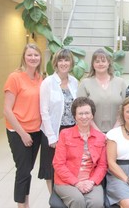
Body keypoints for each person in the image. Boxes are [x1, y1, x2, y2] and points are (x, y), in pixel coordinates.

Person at [3, 43, 43, 208]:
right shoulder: (15, 77)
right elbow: (7, 110)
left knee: (27, 171)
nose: (33, 58)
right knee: (23, 171)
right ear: (24, 57)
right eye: (29, 55)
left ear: (40, 58)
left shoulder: (40, 77)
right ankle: (22, 206)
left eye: (36, 55)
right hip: (18, 131)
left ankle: (25, 203)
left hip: (36, 130)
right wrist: (23, 134)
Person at [53, 97, 107, 208]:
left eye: (87, 113)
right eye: (80, 114)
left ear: (92, 115)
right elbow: (58, 164)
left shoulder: (100, 137)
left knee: (96, 203)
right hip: (66, 181)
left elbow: (102, 166)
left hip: (90, 180)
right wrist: (76, 182)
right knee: (78, 201)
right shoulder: (65, 134)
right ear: (75, 116)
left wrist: (92, 182)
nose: (84, 117)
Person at [39, 49, 78, 193]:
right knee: (51, 168)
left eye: (66, 60)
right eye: (60, 60)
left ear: (71, 63)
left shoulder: (74, 81)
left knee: (68, 165)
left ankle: (66, 196)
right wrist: (51, 136)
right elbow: (44, 110)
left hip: (70, 130)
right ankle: (53, 199)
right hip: (53, 130)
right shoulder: (48, 82)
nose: (63, 63)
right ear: (55, 63)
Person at [77, 48, 126, 133]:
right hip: (91, 133)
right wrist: (98, 133)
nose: (100, 64)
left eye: (103, 61)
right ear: (93, 64)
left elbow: (125, 109)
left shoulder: (120, 83)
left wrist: (113, 132)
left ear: (108, 63)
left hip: (117, 132)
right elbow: (81, 111)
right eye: (97, 61)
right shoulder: (85, 84)